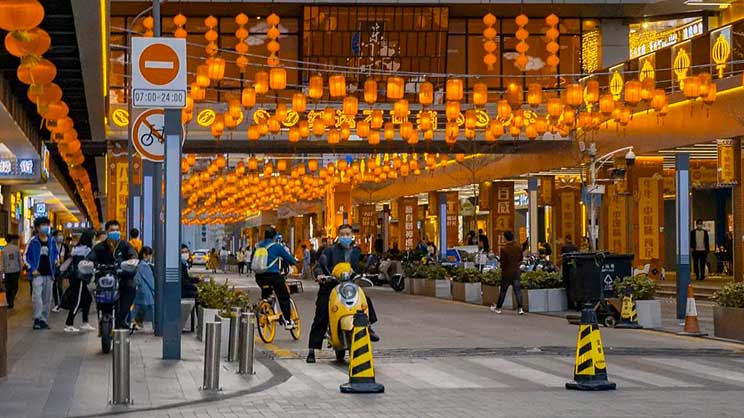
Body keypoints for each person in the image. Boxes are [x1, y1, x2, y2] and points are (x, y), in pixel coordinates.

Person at [307, 224, 380, 364]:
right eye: (342, 234)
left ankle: (368, 326)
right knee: (321, 314)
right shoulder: (330, 251)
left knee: (365, 300)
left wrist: (366, 270)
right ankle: (312, 349)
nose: (345, 237)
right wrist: (321, 275)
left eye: (348, 234)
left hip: (349, 286)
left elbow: (361, 266)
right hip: (330, 286)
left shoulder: (356, 252)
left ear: (352, 235)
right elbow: (319, 266)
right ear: (338, 236)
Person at [86, 220, 138, 329]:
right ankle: (103, 316)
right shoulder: (99, 247)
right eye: (112, 230)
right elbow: (91, 257)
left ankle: (121, 317)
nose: (115, 232)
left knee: (131, 286)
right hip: (104, 278)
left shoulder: (124, 245)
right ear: (106, 232)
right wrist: (88, 263)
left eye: (117, 230)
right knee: (98, 290)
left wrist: (131, 262)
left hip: (122, 278)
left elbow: (133, 255)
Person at [254, 227, 297, 325]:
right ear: (274, 236)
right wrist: (293, 262)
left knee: (266, 293)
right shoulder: (276, 247)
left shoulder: (258, 246)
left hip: (259, 277)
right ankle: (288, 320)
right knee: (284, 296)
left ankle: (265, 309)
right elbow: (289, 259)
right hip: (273, 276)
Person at [25, 216, 59, 330]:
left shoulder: (52, 240)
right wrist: (32, 268)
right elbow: (25, 256)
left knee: (47, 298)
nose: (46, 227)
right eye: (43, 225)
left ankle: (44, 320)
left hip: (49, 274)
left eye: (47, 225)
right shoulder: (33, 241)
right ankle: (37, 319)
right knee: (37, 297)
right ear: (37, 228)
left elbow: (56, 253)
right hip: (37, 274)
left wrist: (56, 260)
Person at [62, 230, 95, 333]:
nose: (94, 240)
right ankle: (69, 323)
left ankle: (85, 322)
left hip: (76, 277)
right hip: (79, 278)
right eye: (93, 238)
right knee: (77, 300)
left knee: (88, 299)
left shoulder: (78, 248)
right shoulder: (85, 250)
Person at [491, 231, 524, 315]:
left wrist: (501, 266)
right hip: (516, 271)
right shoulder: (518, 247)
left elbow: (503, 262)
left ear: (505, 238)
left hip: (506, 272)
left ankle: (498, 308)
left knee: (503, 291)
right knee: (517, 291)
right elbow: (521, 258)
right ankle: (520, 308)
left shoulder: (504, 249)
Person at [132, 246, 155, 330]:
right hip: (147, 290)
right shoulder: (145, 266)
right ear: (145, 255)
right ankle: (156, 327)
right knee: (152, 308)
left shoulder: (139, 265)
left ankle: (133, 321)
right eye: (150, 255)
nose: (150, 257)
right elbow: (150, 280)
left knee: (137, 307)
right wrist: (154, 290)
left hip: (141, 290)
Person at [1, 234, 22, 309]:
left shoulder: (3, 250)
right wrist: (21, 268)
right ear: (12, 240)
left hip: (7, 271)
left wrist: (2, 272)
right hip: (16, 270)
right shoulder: (16, 249)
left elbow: (2, 262)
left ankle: (9, 302)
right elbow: (20, 260)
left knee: (8, 287)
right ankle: (12, 299)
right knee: (14, 286)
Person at [52, 229, 67, 312]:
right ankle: (56, 303)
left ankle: (61, 303)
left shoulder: (63, 246)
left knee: (60, 286)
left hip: (59, 268)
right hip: (52, 268)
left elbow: (62, 257)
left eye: (61, 234)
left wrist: (60, 263)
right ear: (55, 237)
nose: (61, 236)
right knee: (54, 286)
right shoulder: (51, 245)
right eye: (59, 235)